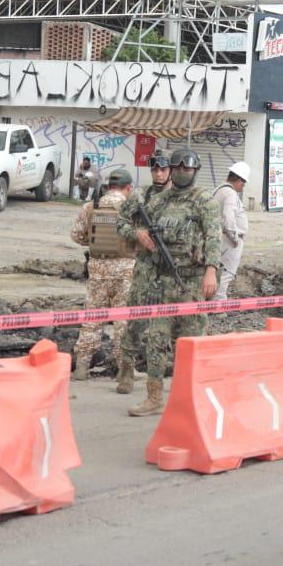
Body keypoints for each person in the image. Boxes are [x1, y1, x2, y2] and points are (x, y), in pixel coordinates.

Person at [117, 150, 221, 416]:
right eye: (179, 168)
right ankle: (154, 398)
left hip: (192, 283)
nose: (183, 172)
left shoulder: (204, 201)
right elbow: (122, 221)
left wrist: (211, 270)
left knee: (191, 342)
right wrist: (137, 233)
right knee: (157, 341)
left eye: (189, 169)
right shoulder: (157, 200)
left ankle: (191, 396)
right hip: (162, 283)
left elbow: (213, 237)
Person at [67, 168, 137, 382]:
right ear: (128, 188)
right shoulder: (132, 208)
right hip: (125, 271)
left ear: (108, 186)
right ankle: (123, 370)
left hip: (97, 270)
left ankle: (81, 367)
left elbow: (77, 235)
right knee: (122, 320)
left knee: (92, 318)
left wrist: (96, 242)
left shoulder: (91, 206)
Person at [114, 151, 171, 395]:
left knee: (167, 325)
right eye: (154, 169)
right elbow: (120, 222)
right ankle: (126, 371)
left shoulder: (178, 197)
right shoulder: (140, 195)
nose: (158, 174)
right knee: (135, 323)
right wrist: (137, 234)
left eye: (163, 169)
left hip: (169, 269)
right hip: (146, 269)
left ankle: (158, 377)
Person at [211, 162, 251, 299]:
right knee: (226, 272)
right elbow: (228, 218)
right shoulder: (230, 193)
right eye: (243, 183)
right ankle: (218, 302)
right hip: (228, 239)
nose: (243, 186)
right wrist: (234, 238)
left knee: (218, 271)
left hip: (219, 237)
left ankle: (213, 299)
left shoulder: (219, 190)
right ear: (239, 179)